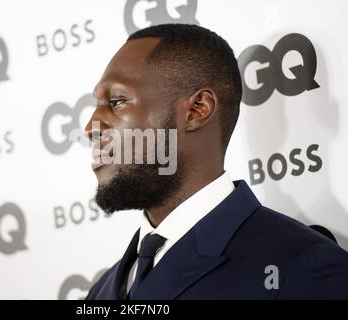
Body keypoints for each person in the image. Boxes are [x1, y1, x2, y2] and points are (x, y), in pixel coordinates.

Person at [83, 24, 348, 299]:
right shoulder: (100, 292)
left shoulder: (302, 268)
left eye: (116, 102)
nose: (90, 127)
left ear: (198, 109)